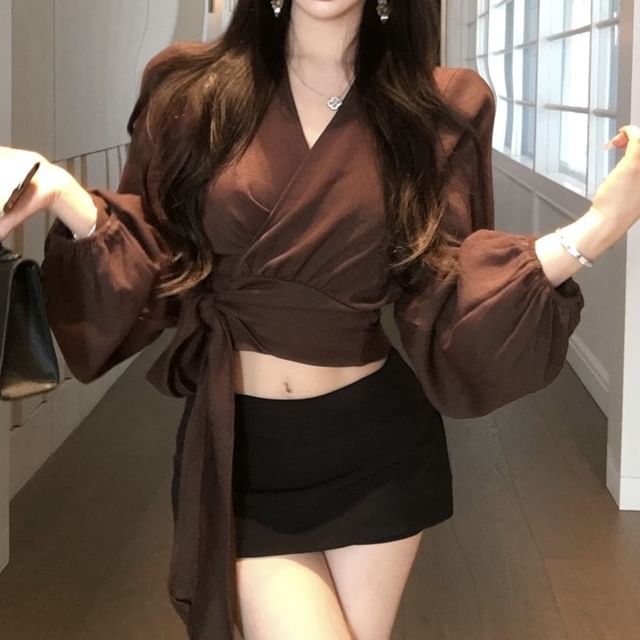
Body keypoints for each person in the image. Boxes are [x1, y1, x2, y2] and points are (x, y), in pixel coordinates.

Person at [1, 0, 639, 638]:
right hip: (243, 453)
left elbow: (448, 287)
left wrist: (601, 225)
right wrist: (63, 193)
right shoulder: (190, 91)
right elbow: (158, 262)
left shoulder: (439, 107)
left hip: (378, 453)